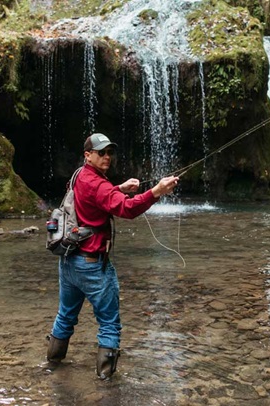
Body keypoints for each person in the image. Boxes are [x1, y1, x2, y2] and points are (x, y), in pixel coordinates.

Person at [46, 133, 179, 379]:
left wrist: (118, 188)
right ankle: (106, 383)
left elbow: (92, 199)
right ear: (88, 155)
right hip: (92, 264)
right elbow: (126, 209)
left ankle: (52, 365)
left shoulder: (80, 175)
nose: (107, 157)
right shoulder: (98, 184)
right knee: (109, 323)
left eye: (109, 152)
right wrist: (157, 191)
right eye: (101, 152)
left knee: (65, 315)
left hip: (69, 261)